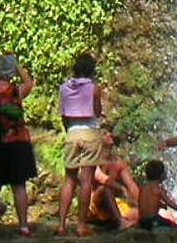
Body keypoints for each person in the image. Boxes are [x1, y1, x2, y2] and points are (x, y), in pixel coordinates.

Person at [0, 53, 37, 240]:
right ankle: (23, 227)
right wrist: (18, 67)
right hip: (17, 143)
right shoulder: (16, 92)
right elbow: (29, 82)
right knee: (19, 186)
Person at [57, 52, 108, 237]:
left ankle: (61, 225)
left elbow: (63, 115)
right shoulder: (95, 89)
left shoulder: (64, 88)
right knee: (86, 181)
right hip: (90, 133)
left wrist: (69, 131)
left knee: (69, 180)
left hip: (72, 133)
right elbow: (97, 112)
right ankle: (81, 226)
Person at [87, 143, 140, 229]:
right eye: (106, 133)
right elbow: (100, 178)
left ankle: (118, 220)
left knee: (137, 213)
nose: (110, 135)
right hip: (93, 204)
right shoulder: (92, 158)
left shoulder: (118, 162)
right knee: (106, 188)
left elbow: (131, 185)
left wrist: (141, 203)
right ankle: (120, 221)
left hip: (112, 204)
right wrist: (121, 188)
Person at [136, 160, 177, 231]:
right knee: (176, 228)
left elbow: (146, 203)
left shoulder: (143, 188)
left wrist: (160, 205)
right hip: (153, 220)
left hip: (142, 221)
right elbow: (169, 202)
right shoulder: (158, 189)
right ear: (161, 174)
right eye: (165, 171)